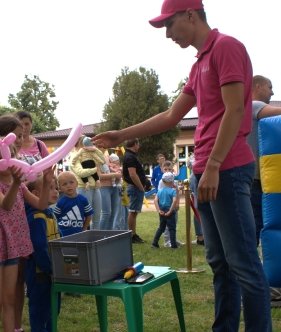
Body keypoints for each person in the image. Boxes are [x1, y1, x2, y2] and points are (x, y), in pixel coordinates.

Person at [91, 1, 272, 330]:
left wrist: (215, 163)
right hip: (207, 168)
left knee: (244, 263)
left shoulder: (226, 47)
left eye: (170, 25)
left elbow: (234, 111)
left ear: (191, 14)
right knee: (220, 262)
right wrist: (122, 132)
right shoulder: (199, 62)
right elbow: (172, 116)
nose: (168, 34)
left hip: (227, 168)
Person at [0, 138, 54, 332]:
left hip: (12, 248)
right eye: (3, 157)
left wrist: (46, 183)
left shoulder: (19, 186)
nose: (10, 159)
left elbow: (41, 205)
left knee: (9, 300)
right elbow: (6, 204)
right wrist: (17, 183)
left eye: (12, 155)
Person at [0, 114, 26, 332]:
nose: (22, 140)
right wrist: (19, 182)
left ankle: (17, 325)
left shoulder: (22, 161)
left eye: (23, 135)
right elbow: (4, 204)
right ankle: (11, 325)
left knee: (18, 283)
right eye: (18, 136)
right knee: (6, 292)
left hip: (22, 223)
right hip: (5, 233)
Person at [246, 75, 281, 246]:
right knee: (256, 225)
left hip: (255, 179)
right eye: (270, 87)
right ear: (258, 87)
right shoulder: (254, 105)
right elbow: (278, 112)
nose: (272, 92)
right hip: (255, 180)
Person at [25, 175, 61, 332]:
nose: (55, 191)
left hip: (53, 273)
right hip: (40, 275)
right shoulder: (36, 217)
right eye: (50, 187)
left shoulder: (50, 213)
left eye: (56, 188)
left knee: (53, 311)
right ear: (35, 193)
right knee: (40, 313)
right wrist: (51, 269)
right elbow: (38, 248)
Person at [69, 135, 102, 230]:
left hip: (95, 187)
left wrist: (95, 151)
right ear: (80, 143)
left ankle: (96, 242)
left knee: (96, 218)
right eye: (88, 142)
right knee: (85, 219)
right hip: (83, 187)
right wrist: (95, 169)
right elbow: (81, 173)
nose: (91, 145)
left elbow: (102, 162)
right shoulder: (74, 155)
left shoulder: (88, 154)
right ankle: (84, 242)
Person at [122, 139, 146, 243]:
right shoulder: (130, 157)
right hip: (134, 187)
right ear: (135, 144)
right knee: (132, 212)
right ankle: (132, 235)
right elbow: (132, 174)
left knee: (134, 212)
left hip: (134, 187)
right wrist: (140, 186)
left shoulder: (128, 155)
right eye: (138, 144)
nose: (139, 146)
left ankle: (134, 234)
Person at [54, 171, 93, 237]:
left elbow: (88, 216)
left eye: (71, 182)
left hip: (78, 235)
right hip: (63, 235)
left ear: (77, 184)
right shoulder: (60, 202)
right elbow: (55, 218)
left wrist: (83, 230)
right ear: (60, 188)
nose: (68, 186)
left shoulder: (83, 199)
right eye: (64, 184)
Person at [158, 161, 183, 247]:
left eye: (169, 169)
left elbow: (176, 192)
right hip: (165, 206)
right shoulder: (162, 182)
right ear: (162, 170)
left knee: (174, 222)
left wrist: (177, 204)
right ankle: (167, 240)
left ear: (172, 170)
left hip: (173, 206)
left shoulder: (174, 182)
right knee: (166, 224)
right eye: (165, 169)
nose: (168, 171)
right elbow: (159, 194)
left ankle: (173, 239)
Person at [151, 172, 178, 249]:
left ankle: (154, 243)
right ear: (172, 182)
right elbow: (174, 201)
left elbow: (155, 200)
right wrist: (170, 210)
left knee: (161, 227)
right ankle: (173, 245)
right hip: (170, 210)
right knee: (172, 228)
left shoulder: (160, 191)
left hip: (162, 210)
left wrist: (159, 210)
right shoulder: (172, 191)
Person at [98, 149, 122, 230]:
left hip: (114, 187)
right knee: (106, 213)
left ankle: (108, 237)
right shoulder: (96, 157)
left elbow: (114, 167)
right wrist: (114, 174)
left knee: (113, 214)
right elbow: (99, 176)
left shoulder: (108, 156)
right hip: (104, 187)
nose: (104, 147)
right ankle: (100, 237)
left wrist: (118, 174)